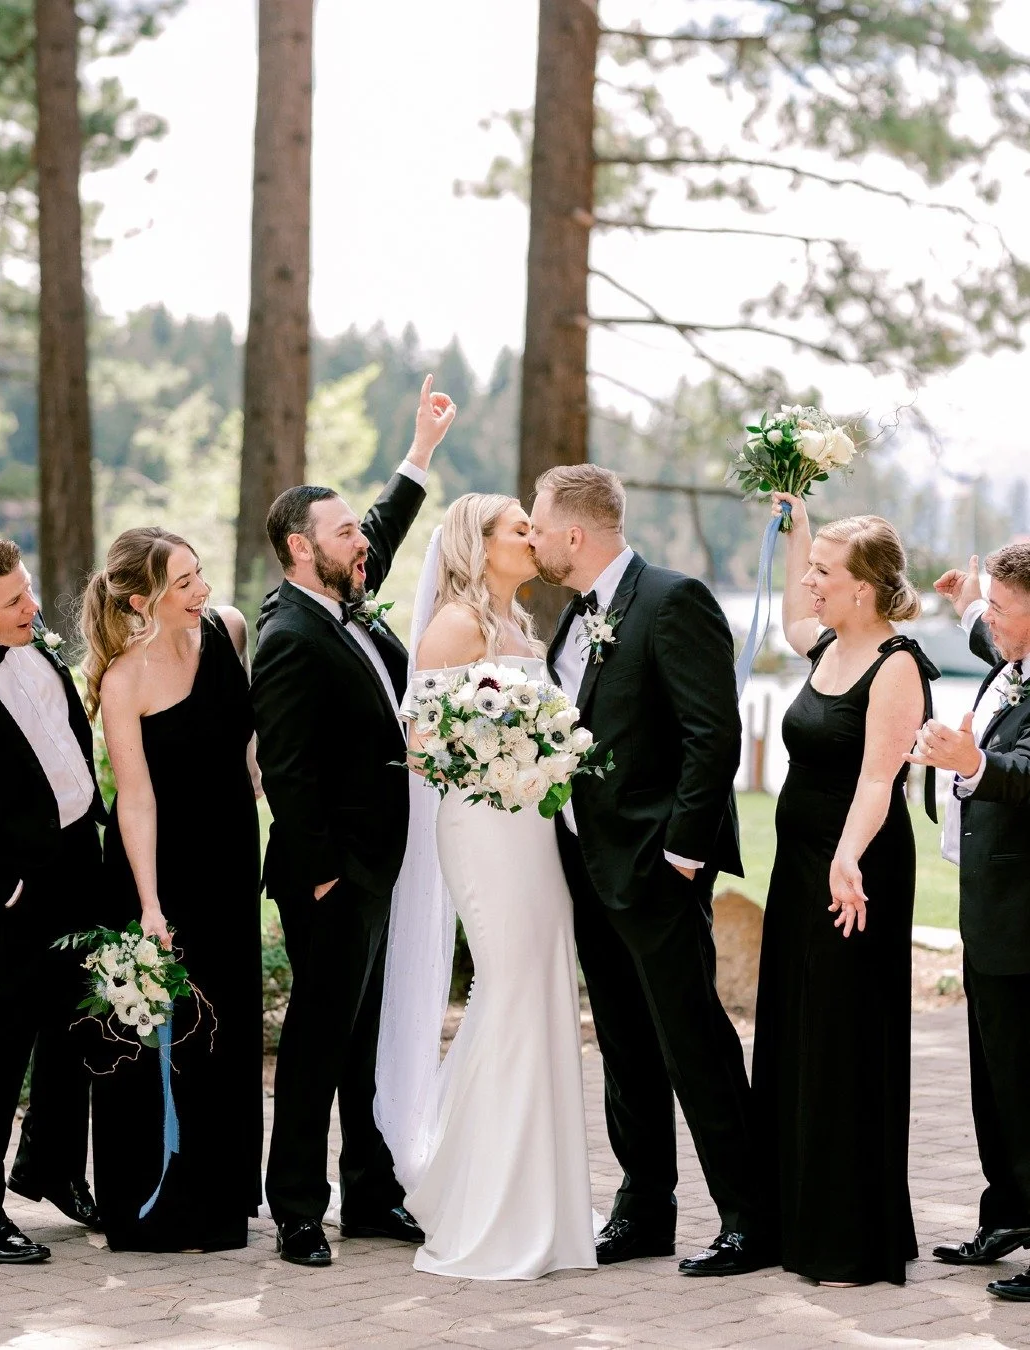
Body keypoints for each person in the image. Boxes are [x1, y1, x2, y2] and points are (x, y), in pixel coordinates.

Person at [528, 464, 766, 1276]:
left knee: (692, 1041)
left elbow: (713, 735)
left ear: (575, 532)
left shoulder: (673, 600)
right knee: (626, 1047)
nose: (531, 532)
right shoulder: (572, 618)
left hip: (655, 867)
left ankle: (749, 1215)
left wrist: (681, 853)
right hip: (587, 864)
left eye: (538, 519)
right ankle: (644, 1208)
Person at [252, 375, 456, 1268]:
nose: (360, 545)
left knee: (364, 1041)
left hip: (374, 864)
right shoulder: (289, 636)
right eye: (342, 535)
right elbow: (286, 772)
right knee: (318, 1041)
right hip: (331, 873)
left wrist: (418, 454)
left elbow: (379, 531)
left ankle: (370, 1195)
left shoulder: (338, 598)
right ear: (302, 549)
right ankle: (298, 1205)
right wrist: (327, 867)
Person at [375, 494, 598, 1280]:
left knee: (543, 989)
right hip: (482, 827)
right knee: (507, 988)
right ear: (482, 543)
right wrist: (509, 758)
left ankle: (543, 1194)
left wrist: (542, 759)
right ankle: (485, 1200)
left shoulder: (523, 628)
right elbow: (423, 745)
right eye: (520, 529)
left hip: (532, 829)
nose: (534, 538)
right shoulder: (455, 626)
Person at [752, 495, 936, 1287]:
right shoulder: (826, 642)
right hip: (801, 866)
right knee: (796, 1029)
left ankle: (847, 1234)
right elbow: (792, 623)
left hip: (855, 871)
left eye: (825, 574)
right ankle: (790, 1219)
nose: (812, 585)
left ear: (864, 588)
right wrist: (798, 534)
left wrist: (847, 858)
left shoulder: (898, 665)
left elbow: (878, 778)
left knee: (842, 1036)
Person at [83, 527, 263, 1252]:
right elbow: (136, 800)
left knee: (229, 1030)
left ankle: (222, 1202)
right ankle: (151, 1205)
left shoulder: (227, 631)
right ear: (140, 599)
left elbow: (243, 740)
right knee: (162, 1034)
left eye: (199, 575)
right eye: (183, 583)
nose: (203, 592)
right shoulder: (123, 679)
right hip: (158, 869)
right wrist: (151, 905)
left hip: (229, 860)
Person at [0, 534, 105, 1264]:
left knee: (77, 1022)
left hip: (79, 853)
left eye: (29, 589)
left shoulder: (27, 638)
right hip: (14, 886)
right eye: (14, 601)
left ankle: (48, 1166)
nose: (33, 608)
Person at [912, 546, 1030, 1303]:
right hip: (988, 906)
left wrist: (972, 762)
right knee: (994, 1076)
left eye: (1002, 607)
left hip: (1026, 909)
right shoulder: (1010, 651)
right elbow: (990, 635)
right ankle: (1008, 1214)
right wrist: (966, 603)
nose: (991, 620)